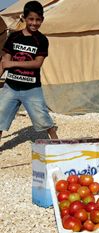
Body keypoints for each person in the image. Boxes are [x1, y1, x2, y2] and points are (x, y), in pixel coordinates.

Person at [0, 1, 58, 142]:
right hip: (11, 86)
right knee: (0, 115)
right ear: (24, 18)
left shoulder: (42, 40)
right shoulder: (13, 37)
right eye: (31, 19)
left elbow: (37, 63)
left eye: (38, 19)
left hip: (32, 88)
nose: (34, 23)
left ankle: (56, 142)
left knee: (42, 116)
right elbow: (4, 61)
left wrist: (11, 63)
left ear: (42, 20)